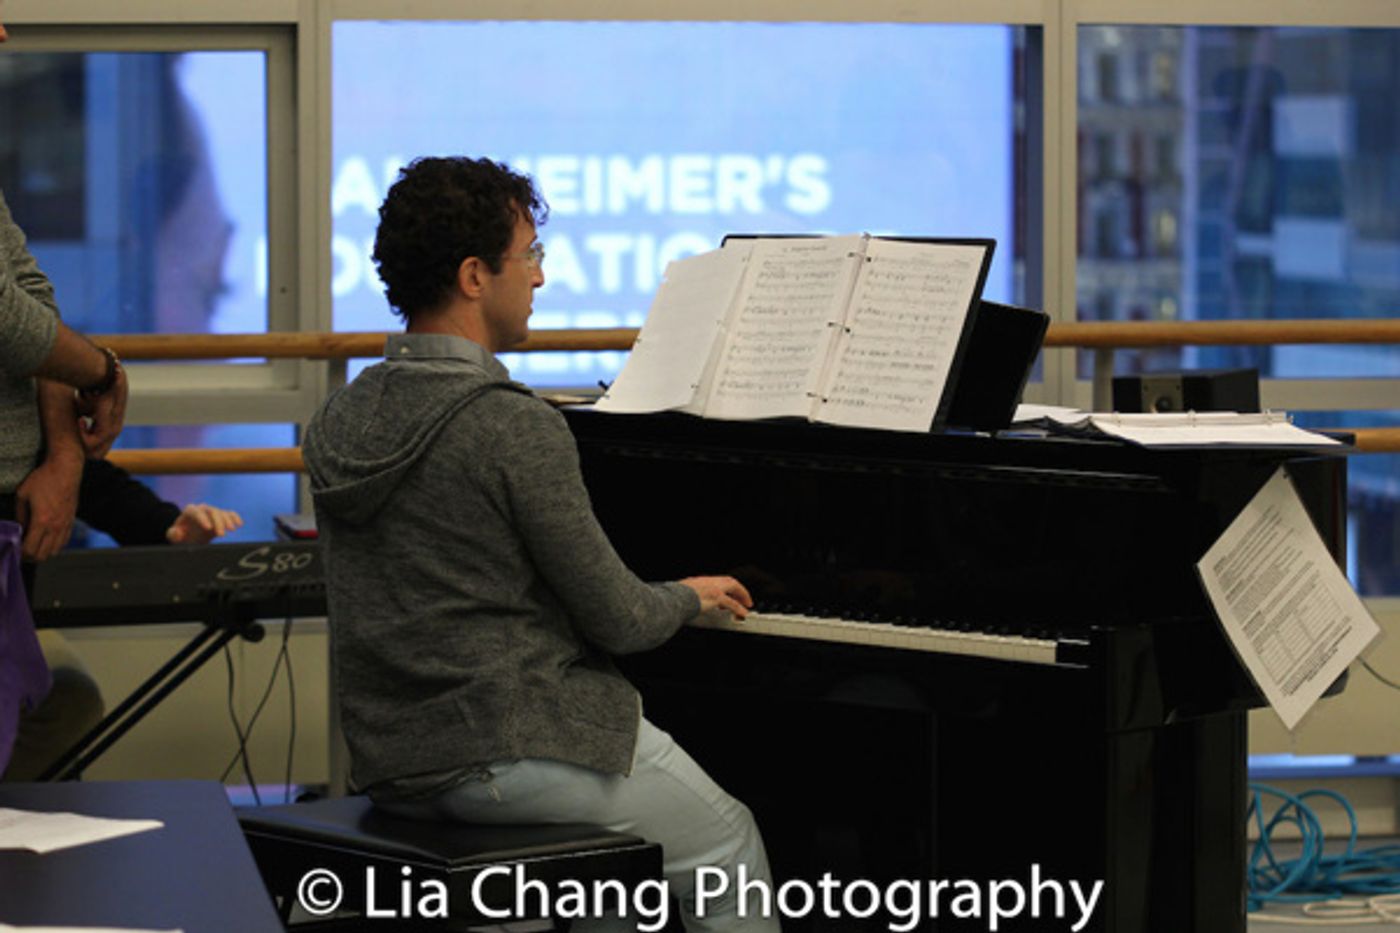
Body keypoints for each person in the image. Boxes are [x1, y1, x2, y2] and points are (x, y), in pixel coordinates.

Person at [303, 156, 780, 932]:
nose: (541, 278)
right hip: (508, 748)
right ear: (472, 275)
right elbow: (619, 618)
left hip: (394, 758)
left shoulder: (341, 418)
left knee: (612, 892)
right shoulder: (511, 422)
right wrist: (688, 595)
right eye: (529, 256)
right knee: (728, 840)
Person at [2, 458, 244, 782]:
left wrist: (166, 525)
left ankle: (20, 819)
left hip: (13, 610)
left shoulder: (29, 431)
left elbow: (82, 477)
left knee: (72, 700)